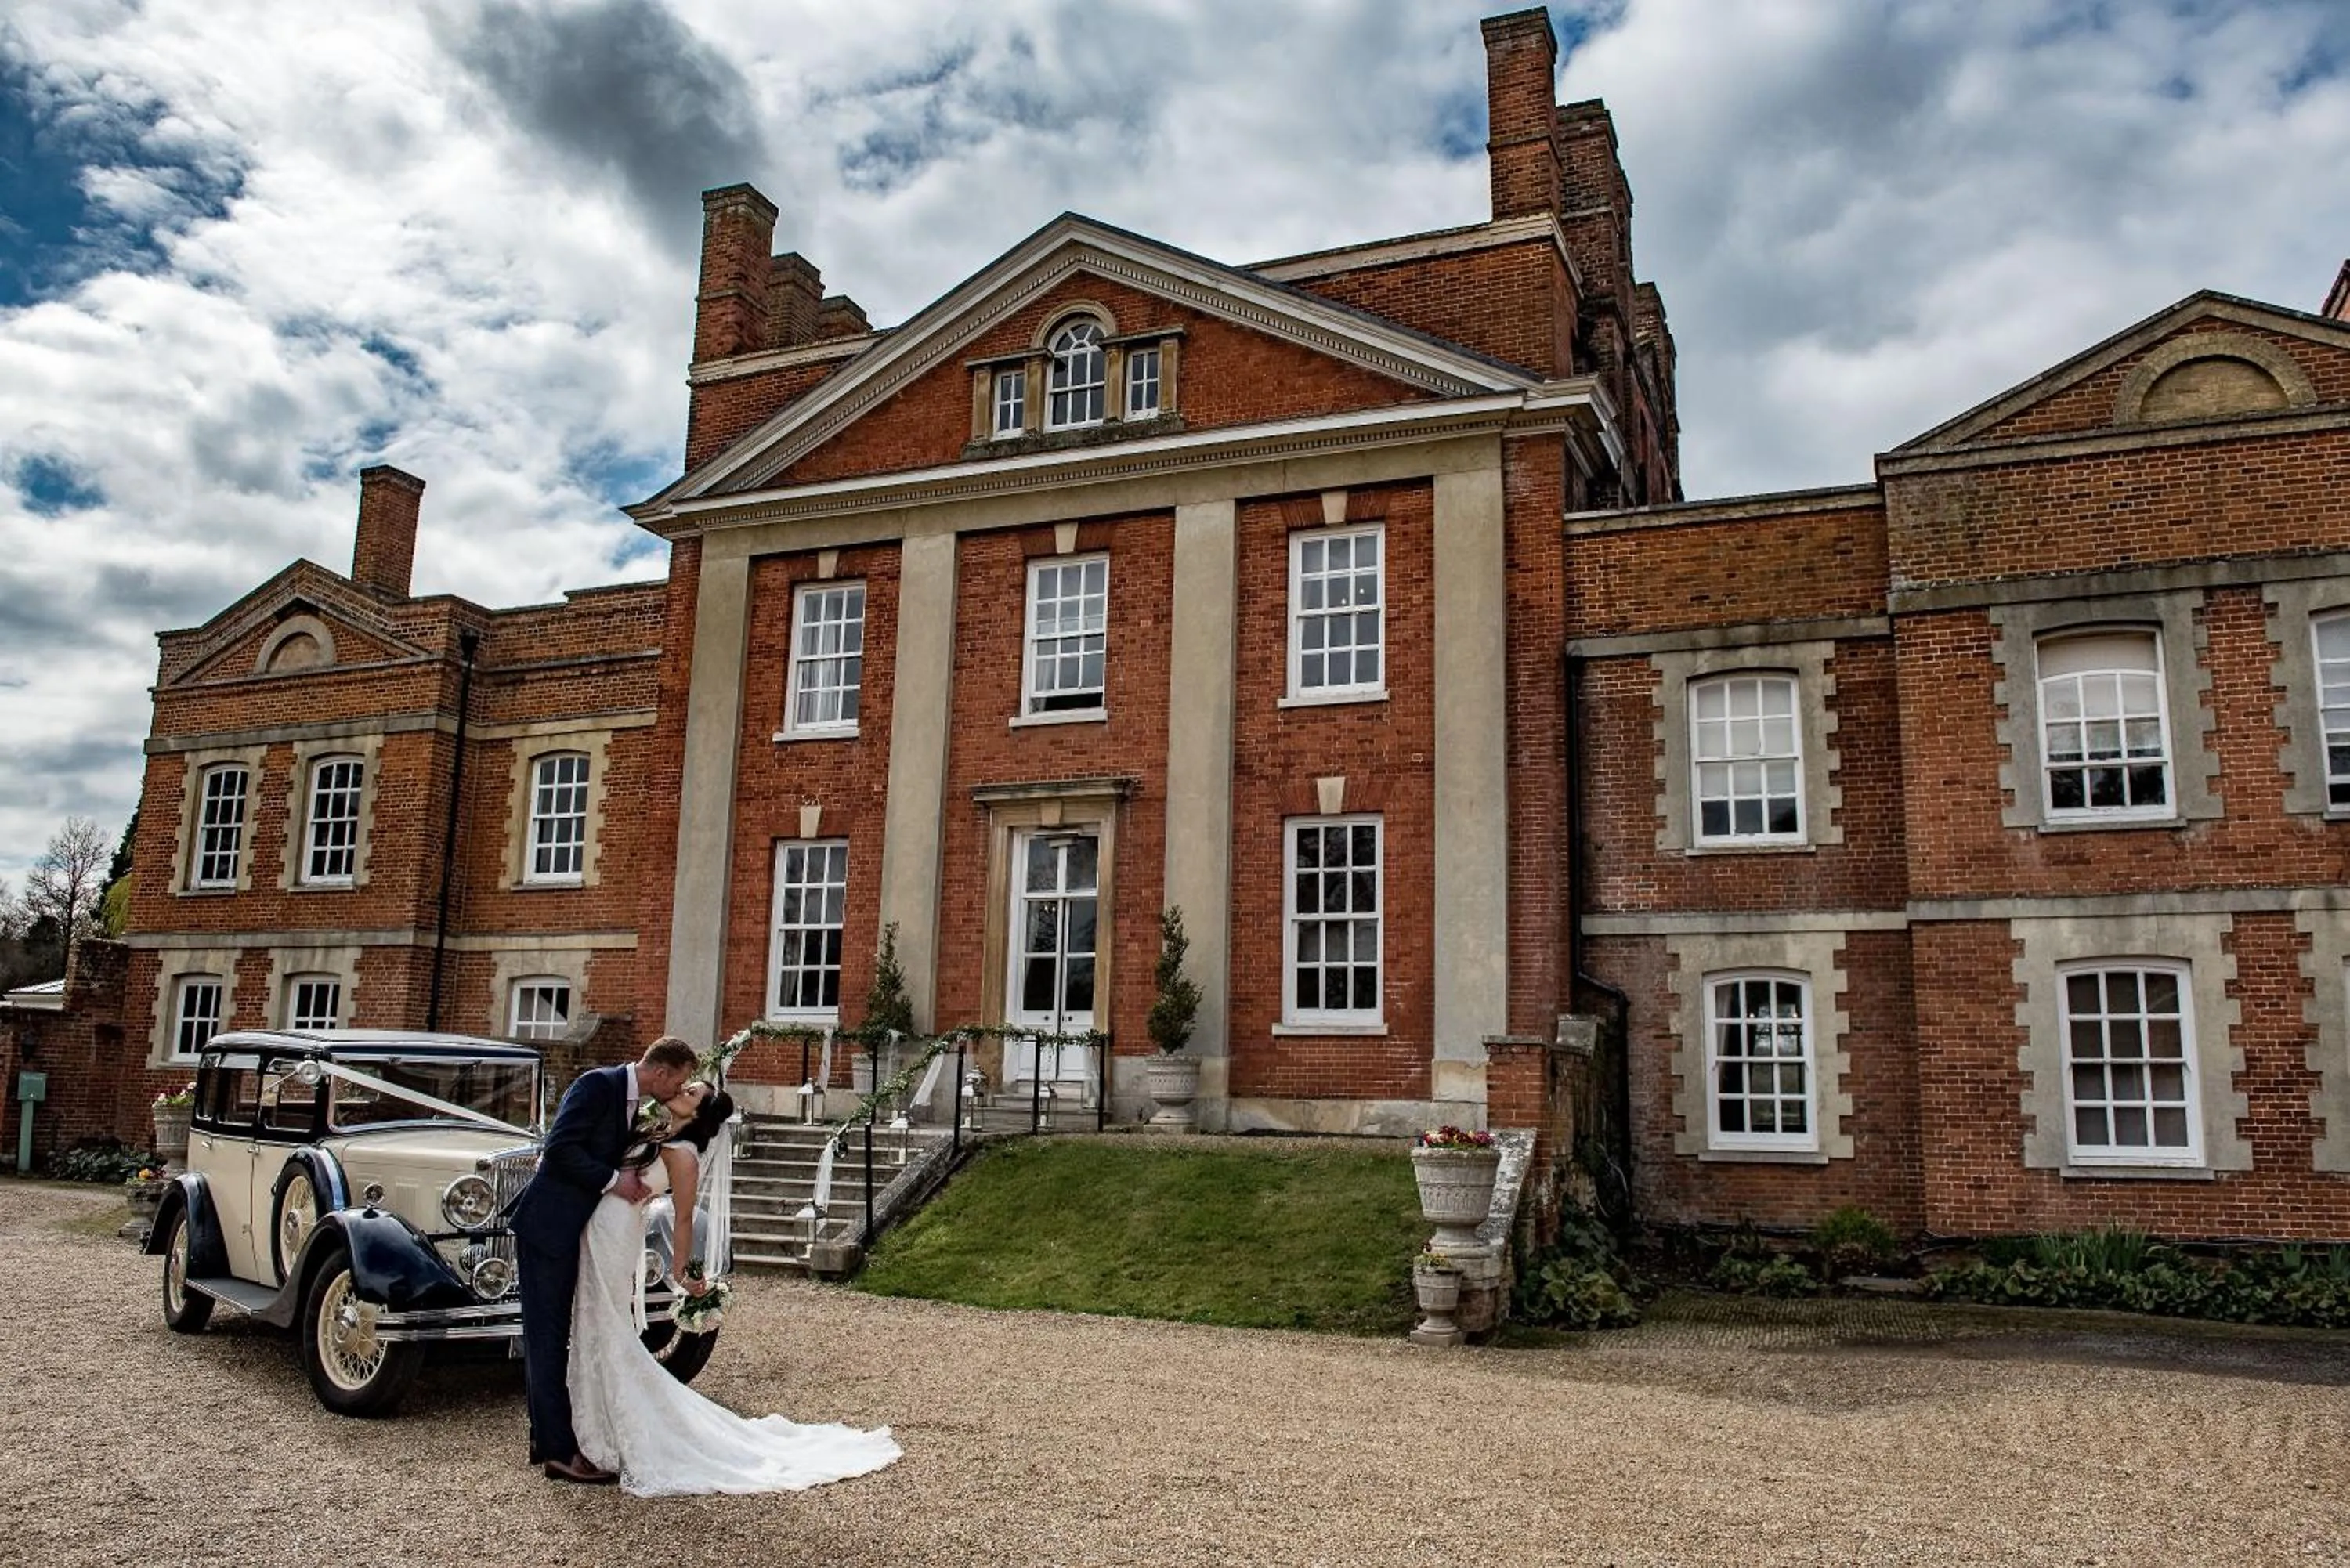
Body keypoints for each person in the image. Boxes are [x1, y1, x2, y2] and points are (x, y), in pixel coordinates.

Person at [569, 1078, 902, 1497]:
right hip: (602, 1225)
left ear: (699, 1113)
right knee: (592, 1322)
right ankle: (589, 1426)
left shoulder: (685, 1155)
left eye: (692, 1093)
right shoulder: (655, 1131)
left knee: (606, 1324)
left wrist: (686, 1274)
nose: (683, 1091)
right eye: (686, 1085)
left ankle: (605, 1436)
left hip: (618, 1234)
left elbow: (684, 1218)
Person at [508, 1036, 698, 1484]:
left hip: (582, 1233)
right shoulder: (597, 1085)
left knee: (563, 1335)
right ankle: (557, 1452)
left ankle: (556, 1437)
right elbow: (558, 1148)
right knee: (548, 1338)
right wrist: (614, 1179)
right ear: (663, 1073)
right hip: (549, 1228)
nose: (679, 1090)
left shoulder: (637, 1105)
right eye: (681, 1081)